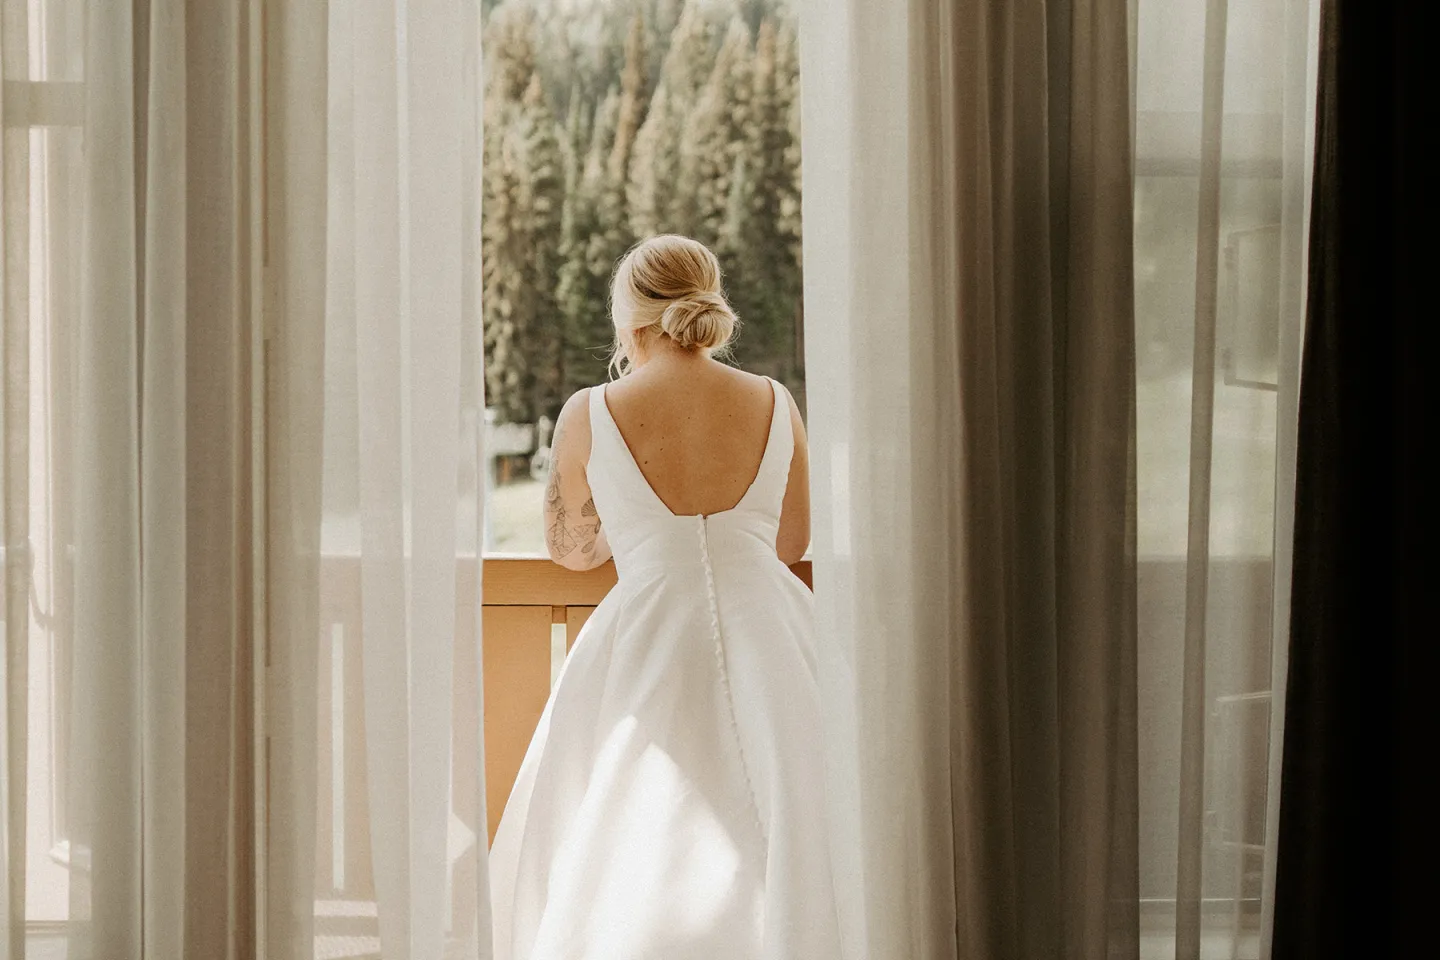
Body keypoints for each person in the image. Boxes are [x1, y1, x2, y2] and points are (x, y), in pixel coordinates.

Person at [489, 235, 840, 958]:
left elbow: (571, 551)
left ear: (629, 318)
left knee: (624, 823)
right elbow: (791, 541)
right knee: (805, 810)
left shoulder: (592, 410)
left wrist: (644, 526)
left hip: (645, 624)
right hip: (772, 626)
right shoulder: (776, 401)